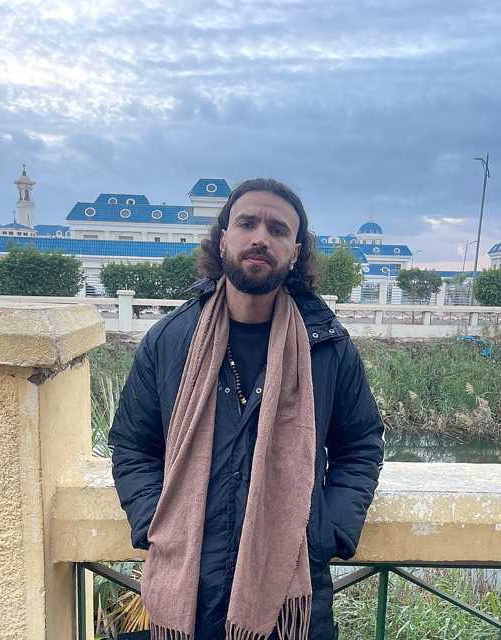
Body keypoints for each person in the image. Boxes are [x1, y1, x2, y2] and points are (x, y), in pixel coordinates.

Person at [109, 178, 385, 640]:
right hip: (189, 592)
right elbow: (132, 446)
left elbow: (361, 445)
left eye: (278, 229)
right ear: (223, 240)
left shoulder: (326, 347)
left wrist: (326, 530)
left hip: (291, 600)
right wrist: (157, 523)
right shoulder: (171, 340)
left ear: (295, 252)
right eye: (247, 223)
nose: (260, 237)